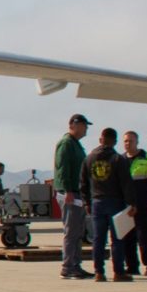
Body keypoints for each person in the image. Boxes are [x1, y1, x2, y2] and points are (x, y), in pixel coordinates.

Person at [84, 127, 129, 283]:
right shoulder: (118, 159)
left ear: (100, 139)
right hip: (115, 202)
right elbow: (126, 183)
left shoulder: (89, 159)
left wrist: (86, 202)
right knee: (117, 238)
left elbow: (82, 182)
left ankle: (99, 272)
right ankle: (118, 272)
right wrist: (132, 203)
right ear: (115, 141)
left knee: (98, 238)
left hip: (97, 202)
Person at [54, 114, 92, 279]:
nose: (86, 129)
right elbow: (63, 168)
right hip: (70, 194)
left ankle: (75, 264)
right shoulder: (67, 143)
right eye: (84, 125)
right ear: (74, 125)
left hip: (77, 193)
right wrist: (68, 190)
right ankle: (68, 266)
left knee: (77, 231)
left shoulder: (75, 144)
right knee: (71, 231)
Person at [122, 128, 147, 276]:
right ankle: (131, 266)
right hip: (127, 205)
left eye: (130, 141)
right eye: (125, 141)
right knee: (128, 237)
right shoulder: (120, 160)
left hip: (143, 204)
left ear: (137, 142)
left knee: (146, 236)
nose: (128, 143)